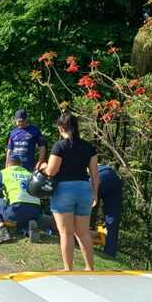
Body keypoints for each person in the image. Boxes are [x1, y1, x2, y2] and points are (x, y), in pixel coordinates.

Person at [39, 112, 98, 271]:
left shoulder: (60, 146)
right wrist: (95, 194)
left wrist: (43, 166)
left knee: (66, 233)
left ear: (60, 128)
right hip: (84, 190)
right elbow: (94, 175)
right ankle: (89, 268)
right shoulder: (89, 147)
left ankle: (68, 269)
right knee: (83, 233)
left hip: (64, 190)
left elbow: (51, 171)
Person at [0, 155, 46, 243]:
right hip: (35, 211)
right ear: (20, 164)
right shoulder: (29, 174)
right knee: (22, 217)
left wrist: (0, 196)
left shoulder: (4, 172)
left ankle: (4, 232)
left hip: (16, 208)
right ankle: (28, 229)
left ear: (8, 164)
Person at [96, 164, 123, 258]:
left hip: (98, 175)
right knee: (112, 217)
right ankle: (110, 253)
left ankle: (77, 242)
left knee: (83, 212)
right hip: (112, 175)